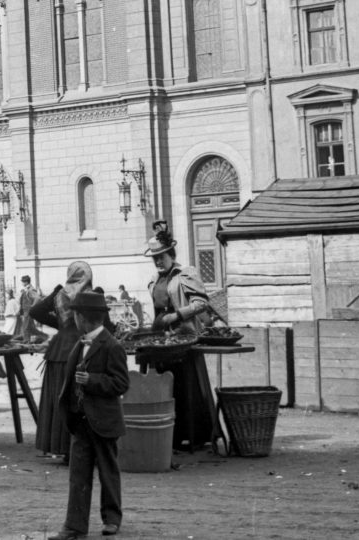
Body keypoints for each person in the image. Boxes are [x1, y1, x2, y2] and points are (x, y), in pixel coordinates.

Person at [51, 291, 129, 540]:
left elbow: (121, 383)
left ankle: (112, 519)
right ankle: (74, 526)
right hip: (81, 419)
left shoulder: (112, 345)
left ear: (83, 318)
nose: (74, 319)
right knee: (78, 474)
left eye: (75, 315)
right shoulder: (80, 342)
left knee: (108, 471)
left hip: (104, 421)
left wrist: (93, 380)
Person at [142, 221, 213, 450]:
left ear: (171, 254)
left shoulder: (186, 274)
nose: (158, 261)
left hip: (185, 338)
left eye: (162, 257)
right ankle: (169, 435)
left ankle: (194, 435)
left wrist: (177, 316)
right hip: (163, 341)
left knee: (186, 386)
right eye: (155, 258)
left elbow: (201, 303)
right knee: (165, 385)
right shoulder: (154, 280)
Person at [29, 262, 97, 462]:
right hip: (81, 349)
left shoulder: (60, 295)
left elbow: (35, 312)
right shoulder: (91, 295)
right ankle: (77, 448)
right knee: (77, 399)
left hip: (58, 350)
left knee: (58, 398)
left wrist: (60, 323)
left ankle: (61, 447)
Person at [19, 275, 48, 343]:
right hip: (26, 311)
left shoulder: (31, 289)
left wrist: (32, 306)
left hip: (28, 311)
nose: (22, 283)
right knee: (31, 328)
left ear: (26, 282)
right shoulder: (26, 289)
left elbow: (37, 298)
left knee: (26, 326)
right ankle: (45, 336)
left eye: (22, 282)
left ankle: (26, 340)